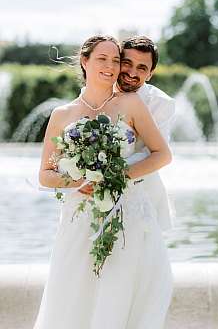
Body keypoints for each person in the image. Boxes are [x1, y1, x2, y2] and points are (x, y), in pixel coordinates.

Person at [33, 35, 174, 329]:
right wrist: (76, 181)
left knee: (119, 294)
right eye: (103, 59)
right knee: (73, 296)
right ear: (84, 61)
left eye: (114, 59)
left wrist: (115, 177)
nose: (111, 66)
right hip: (79, 218)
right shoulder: (62, 115)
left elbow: (162, 155)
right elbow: (45, 175)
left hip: (126, 214)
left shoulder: (132, 103)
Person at [80, 35, 176, 231]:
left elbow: (155, 155)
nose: (132, 72)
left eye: (142, 68)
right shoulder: (98, 92)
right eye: (127, 63)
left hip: (141, 193)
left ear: (150, 74)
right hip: (92, 195)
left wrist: (108, 177)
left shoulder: (161, 103)